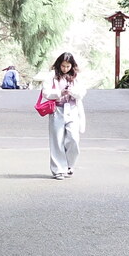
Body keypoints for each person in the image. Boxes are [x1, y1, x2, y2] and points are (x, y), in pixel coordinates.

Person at [41, 51, 85, 180]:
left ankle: (70, 165)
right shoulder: (52, 76)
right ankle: (58, 170)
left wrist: (73, 92)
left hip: (72, 109)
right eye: (63, 66)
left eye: (68, 66)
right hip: (57, 109)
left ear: (72, 65)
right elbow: (46, 92)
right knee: (57, 140)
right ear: (59, 64)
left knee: (73, 138)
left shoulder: (76, 77)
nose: (65, 69)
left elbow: (82, 92)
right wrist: (59, 92)